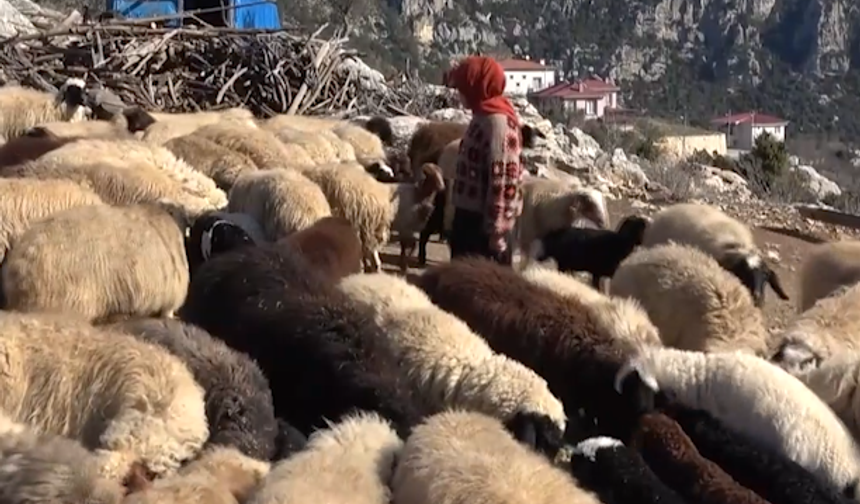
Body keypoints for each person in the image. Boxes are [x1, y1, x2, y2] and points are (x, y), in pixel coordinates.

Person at [443, 56, 524, 266]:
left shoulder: (498, 125)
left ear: (476, 86)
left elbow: (504, 180)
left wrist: (497, 230)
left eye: (462, 88)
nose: (459, 94)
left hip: (482, 228)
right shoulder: (482, 116)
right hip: (468, 219)